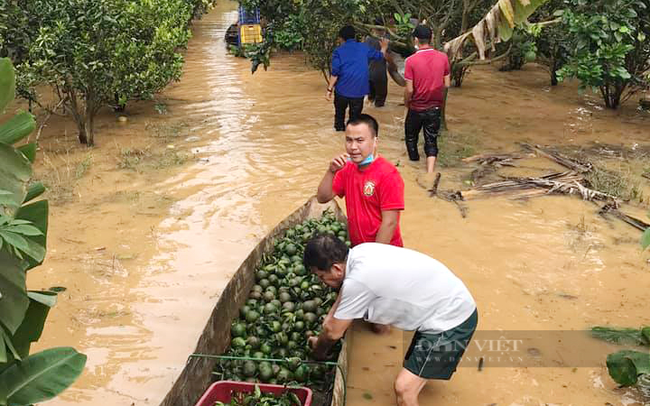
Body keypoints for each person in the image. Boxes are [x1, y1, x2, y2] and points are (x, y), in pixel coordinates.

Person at [304, 234, 478, 406]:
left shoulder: (358, 282)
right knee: (413, 369)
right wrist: (331, 316)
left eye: (321, 276)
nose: (322, 281)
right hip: (446, 302)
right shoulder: (360, 252)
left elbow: (334, 333)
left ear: (337, 269)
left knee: (404, 389)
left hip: (451, 319)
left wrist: (318, 352)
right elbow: (346, 292)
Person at [316, 114, 404, 248]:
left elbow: (390, 222)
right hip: (358, 247)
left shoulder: (388, 174)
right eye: (349, 140)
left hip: (385, 251)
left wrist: (373, 257)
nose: (353, 147)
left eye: (360, 140)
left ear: (375, 141)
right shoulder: (346, 168)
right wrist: (331, 171)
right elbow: (322, 198)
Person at [403, 25, 451, 181]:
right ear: (431, 39)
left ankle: (413, 164)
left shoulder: (410, 61)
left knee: (411, 137)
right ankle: (430, 173)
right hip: (434, 107)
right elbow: (447, 84)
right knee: (431, 139)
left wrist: (406, 103)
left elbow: (409, 90)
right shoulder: (443, 57)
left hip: (416, 107)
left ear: (416, 40)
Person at [327, 26, 389, 131]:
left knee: (339, 119)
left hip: (342, 91)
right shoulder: (364, 47)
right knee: (355, 121)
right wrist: (384, 47)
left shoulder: (338, 51)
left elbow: (335, 73)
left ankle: (339, 133)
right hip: (358, 92)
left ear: (341, 38)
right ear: (355, 36)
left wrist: (329, 89)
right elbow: (380, 56)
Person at [365, 26, 389, 107]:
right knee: (380, 103)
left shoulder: (368, 39)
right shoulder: (385, 40)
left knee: (370, 100)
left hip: (368, 74)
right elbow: (387, 56)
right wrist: (393, 66)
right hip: (380, 75)